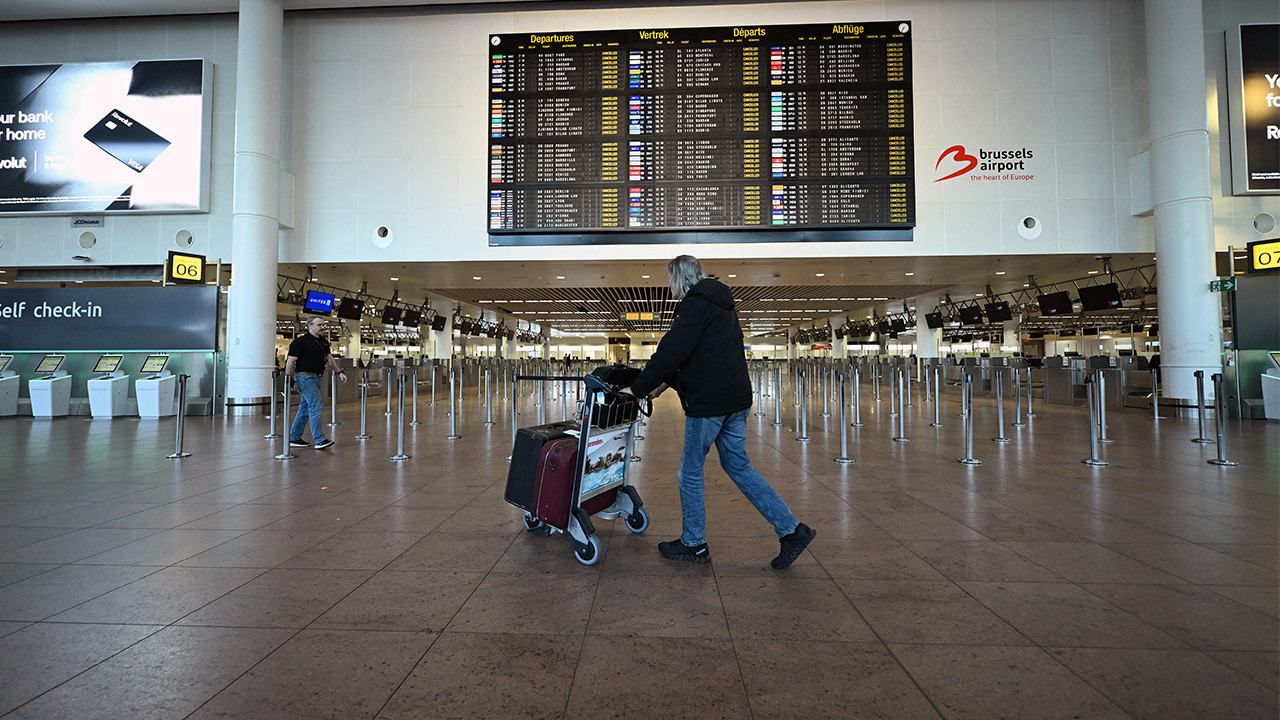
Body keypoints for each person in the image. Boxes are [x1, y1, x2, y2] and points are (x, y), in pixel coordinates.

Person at [625, 255, 815, 569]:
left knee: (689, 471)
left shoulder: (693, 304)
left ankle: (694, 543)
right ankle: (792, 530)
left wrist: (638, 389)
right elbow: (699, 354)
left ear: (679, 279)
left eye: (671, 280)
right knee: (739, 467)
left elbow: (672, 351)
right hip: (736, 400)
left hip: (710, 405)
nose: (670, 287)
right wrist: (660, 386)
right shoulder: (722, 304)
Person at [285, 317, 347, 449]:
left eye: (323, 325)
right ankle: (319, 440)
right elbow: (290, 361)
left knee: (305, 408)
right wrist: (290, 379)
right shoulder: (301, 342)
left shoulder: (324, 342)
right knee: (316, 405)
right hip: (305, 378)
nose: (322, 327)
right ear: (309, 326)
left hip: (316, 378)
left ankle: (294, 437)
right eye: (319, 325)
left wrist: (339, 371)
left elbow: (330, 358)